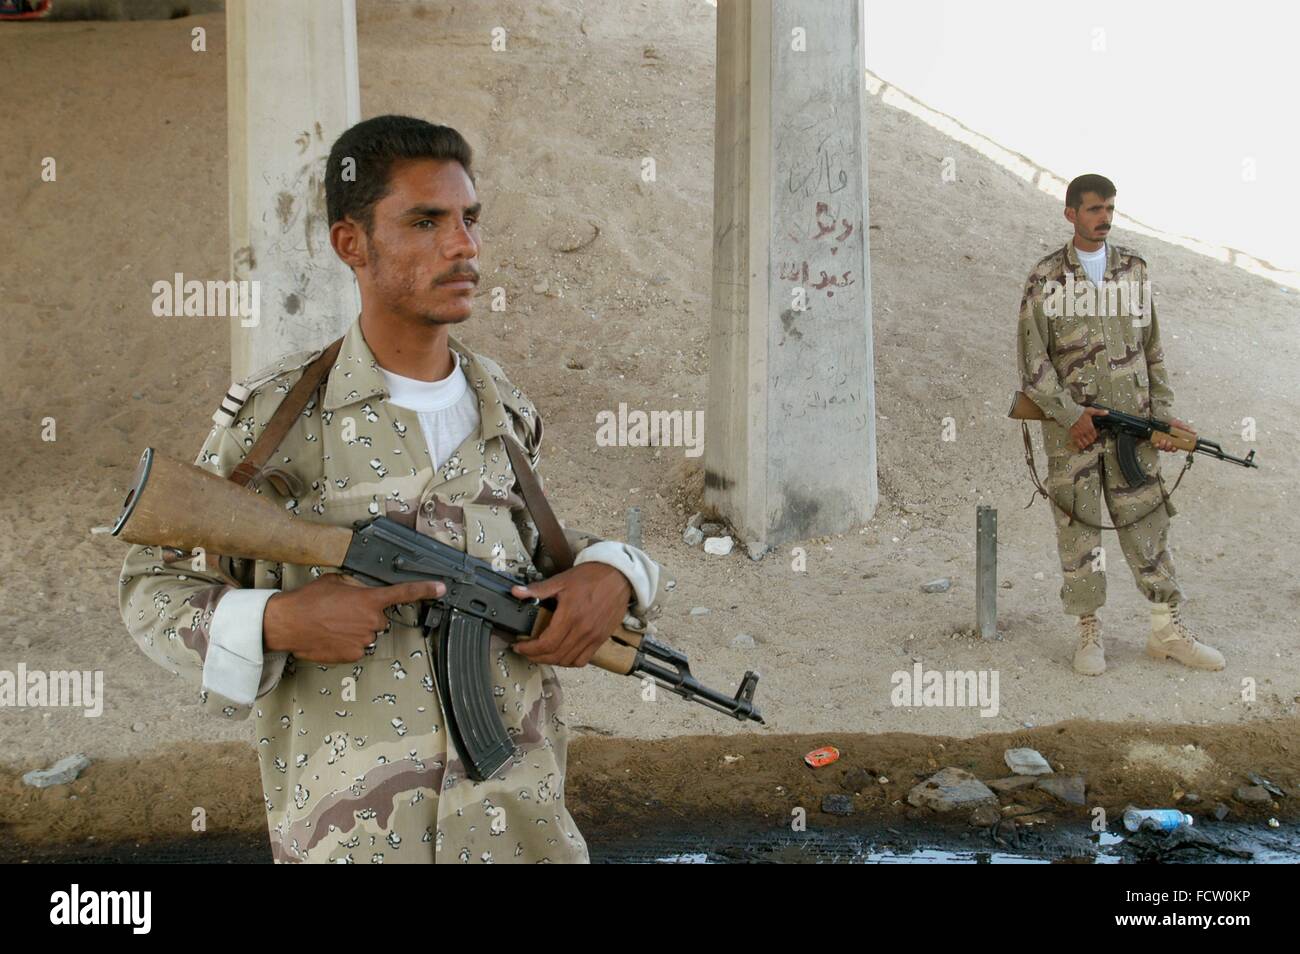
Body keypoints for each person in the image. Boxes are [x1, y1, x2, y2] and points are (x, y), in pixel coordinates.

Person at [119, 115, 673, 863]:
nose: (463, 246)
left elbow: (546, 563)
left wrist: (616, 573)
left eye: (470, 219)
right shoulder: (278, 421)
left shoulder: (504, 408)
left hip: (520, 838)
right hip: (353, 843)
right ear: (353, 244)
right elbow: (153, 589)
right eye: (426, 222)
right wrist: (278, 619)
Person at [1016, 173, 1223, 676]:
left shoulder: (1134, 270)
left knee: (1146, 522)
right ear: (1071, 214)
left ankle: (1165, 630)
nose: (1104, 218)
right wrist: (1070, 416)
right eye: (1093, 210)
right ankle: (1088, 629)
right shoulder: (1046, 277)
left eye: (1109, 208)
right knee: (1079, 528)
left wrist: (1161, 421)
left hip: (1132, 428)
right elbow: (1031, 359)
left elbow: (1153, 349)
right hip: (1075, 433)